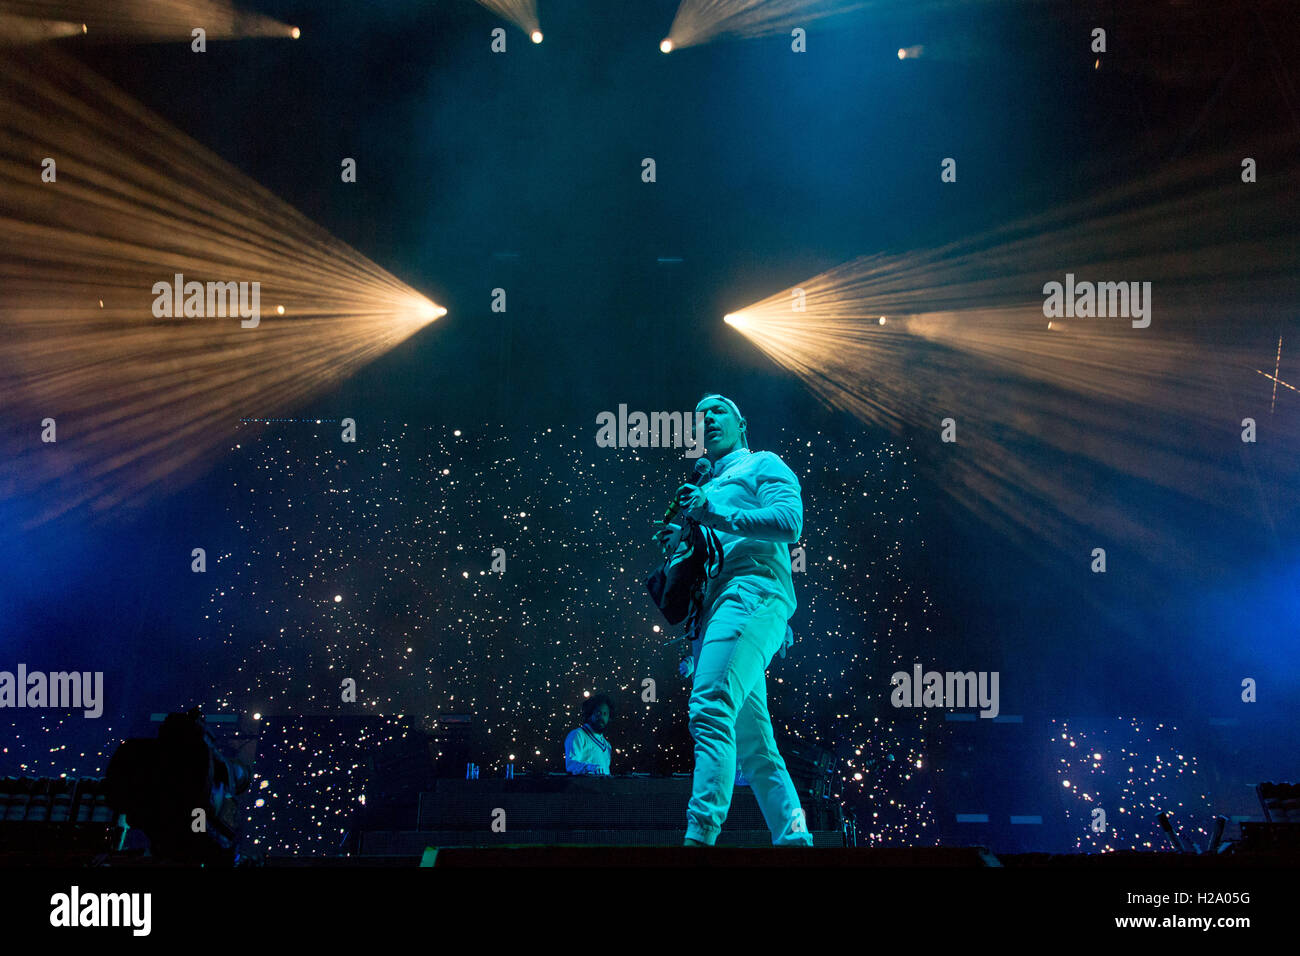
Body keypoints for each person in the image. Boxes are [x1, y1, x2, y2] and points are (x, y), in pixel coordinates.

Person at [654, 393, 812, 847]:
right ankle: (796, 840)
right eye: (700, 417)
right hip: (719, 609)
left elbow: (789, 521)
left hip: (752, 595)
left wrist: (712, 513)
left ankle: (698, 839)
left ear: (742, 423)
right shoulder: (707, 488)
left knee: (710, 706)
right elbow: (715, 546)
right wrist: (685, 540)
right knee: (756, 744)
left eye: (718, 411)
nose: (708, 419)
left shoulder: (763, 462)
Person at [564, 693, 613, 775]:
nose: (602, 717)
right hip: (582, 787)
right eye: (598, 713)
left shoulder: (607, 745)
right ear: (590, 713)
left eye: (605, 714)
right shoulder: (578, 735)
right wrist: (590, 768)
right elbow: (571, 765)